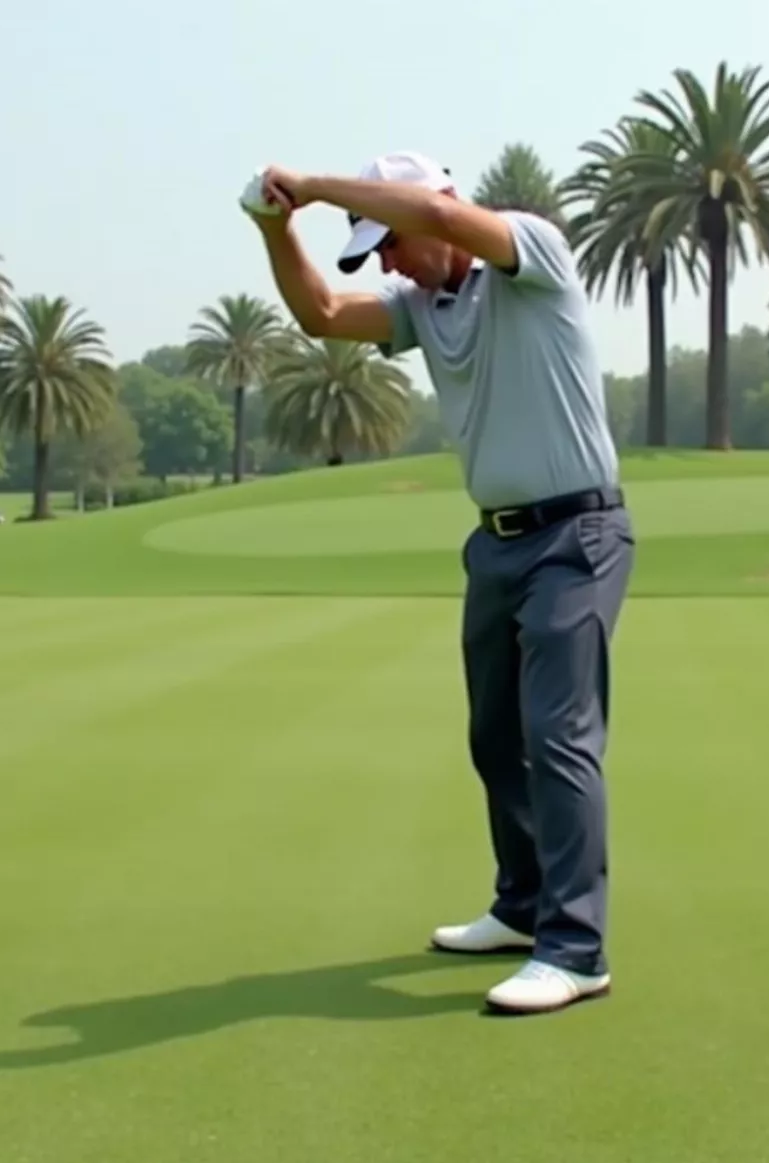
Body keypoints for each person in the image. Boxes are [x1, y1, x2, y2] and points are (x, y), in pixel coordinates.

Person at [245, 151, 635, 1016]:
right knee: (496, 737)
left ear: (437, 205)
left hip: (579, 533)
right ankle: (525, 908)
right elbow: (320, 313)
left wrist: (313, 185)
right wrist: (277, 227)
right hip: (495, 546)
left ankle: (578, 949)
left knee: (559, 735)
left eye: (391, 241)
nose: (387, 260)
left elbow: (452, 224)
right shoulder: (424, 307)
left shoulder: (529, 252)